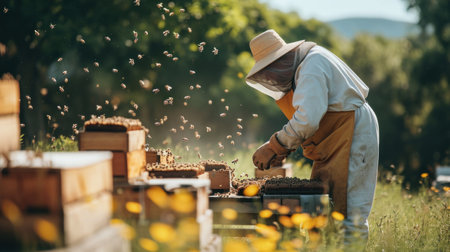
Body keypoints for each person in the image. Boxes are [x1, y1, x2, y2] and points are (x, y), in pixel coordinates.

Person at [247, 30, 379, 244]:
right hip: (336, 139)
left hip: (352, 134)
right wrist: (281, 147)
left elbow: (307, 120)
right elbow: (309, 118)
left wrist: (275, 146)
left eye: (270, 71)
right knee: (327, 206)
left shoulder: (312, 66)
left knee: (349, 214)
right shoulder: (307, 65)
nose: (270, 79)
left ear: (283, 60)